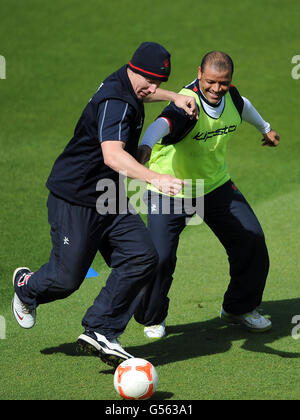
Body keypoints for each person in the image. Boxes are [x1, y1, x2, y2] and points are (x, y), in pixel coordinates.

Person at [11, 42, 198, 368]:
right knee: (67, 279)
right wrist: (155, 178)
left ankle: (101, 329)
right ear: (133, 68)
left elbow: (145, 92)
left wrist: (172, 97)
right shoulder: (116, 101)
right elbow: (112, 155)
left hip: (109, 196)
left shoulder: (130, 86)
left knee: (142, 256)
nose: (153, 88)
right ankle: (27, 288)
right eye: (150, 81)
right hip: (76, 198)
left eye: (159, 82)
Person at [134, 51, 280, 339]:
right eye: (211, 82)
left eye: (223, 83)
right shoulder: (186, 104)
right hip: (170, 189)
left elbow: (244, 106)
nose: (216, 89)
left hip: (215, 185)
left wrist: (266, 128)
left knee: (251, 240)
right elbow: (159, 126)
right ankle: (152, 316)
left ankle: (239, 308)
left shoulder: (232, 97)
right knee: (160, 257)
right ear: (199, 73)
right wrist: (146, 147)